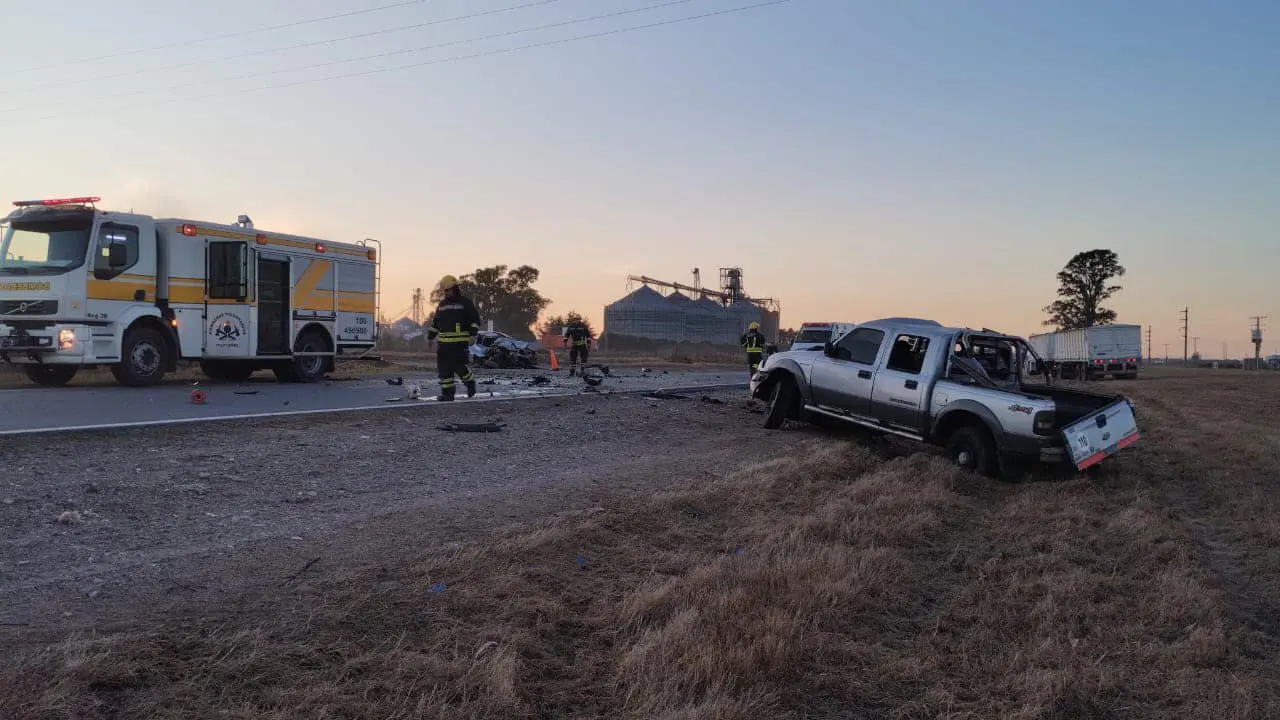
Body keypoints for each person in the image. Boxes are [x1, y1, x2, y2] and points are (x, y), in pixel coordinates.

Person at [426, 275, 480, 401]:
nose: (446, 293)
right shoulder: (442, 305)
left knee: (460, 368)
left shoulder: (465, 303)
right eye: (444, 291)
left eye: (448, 290)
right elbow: (436, 323)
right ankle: (448, 394)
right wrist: (430, 337)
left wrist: (473, 334)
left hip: (459, 344)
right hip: (444, 346)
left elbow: (475, 320)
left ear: (455, 288)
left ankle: (470, 383)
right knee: (444, 370)